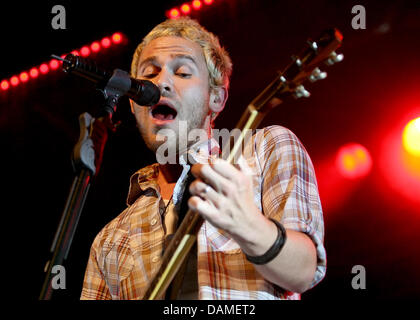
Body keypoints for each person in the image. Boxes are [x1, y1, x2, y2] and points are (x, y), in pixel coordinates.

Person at [81, 17, 326, 300]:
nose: (161, 83)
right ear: (134, 103)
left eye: (183, 73)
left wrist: (249, 225)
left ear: (217, 99)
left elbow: (305, 271)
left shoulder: (265, 149)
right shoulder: (111, 239)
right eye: (149, 74)